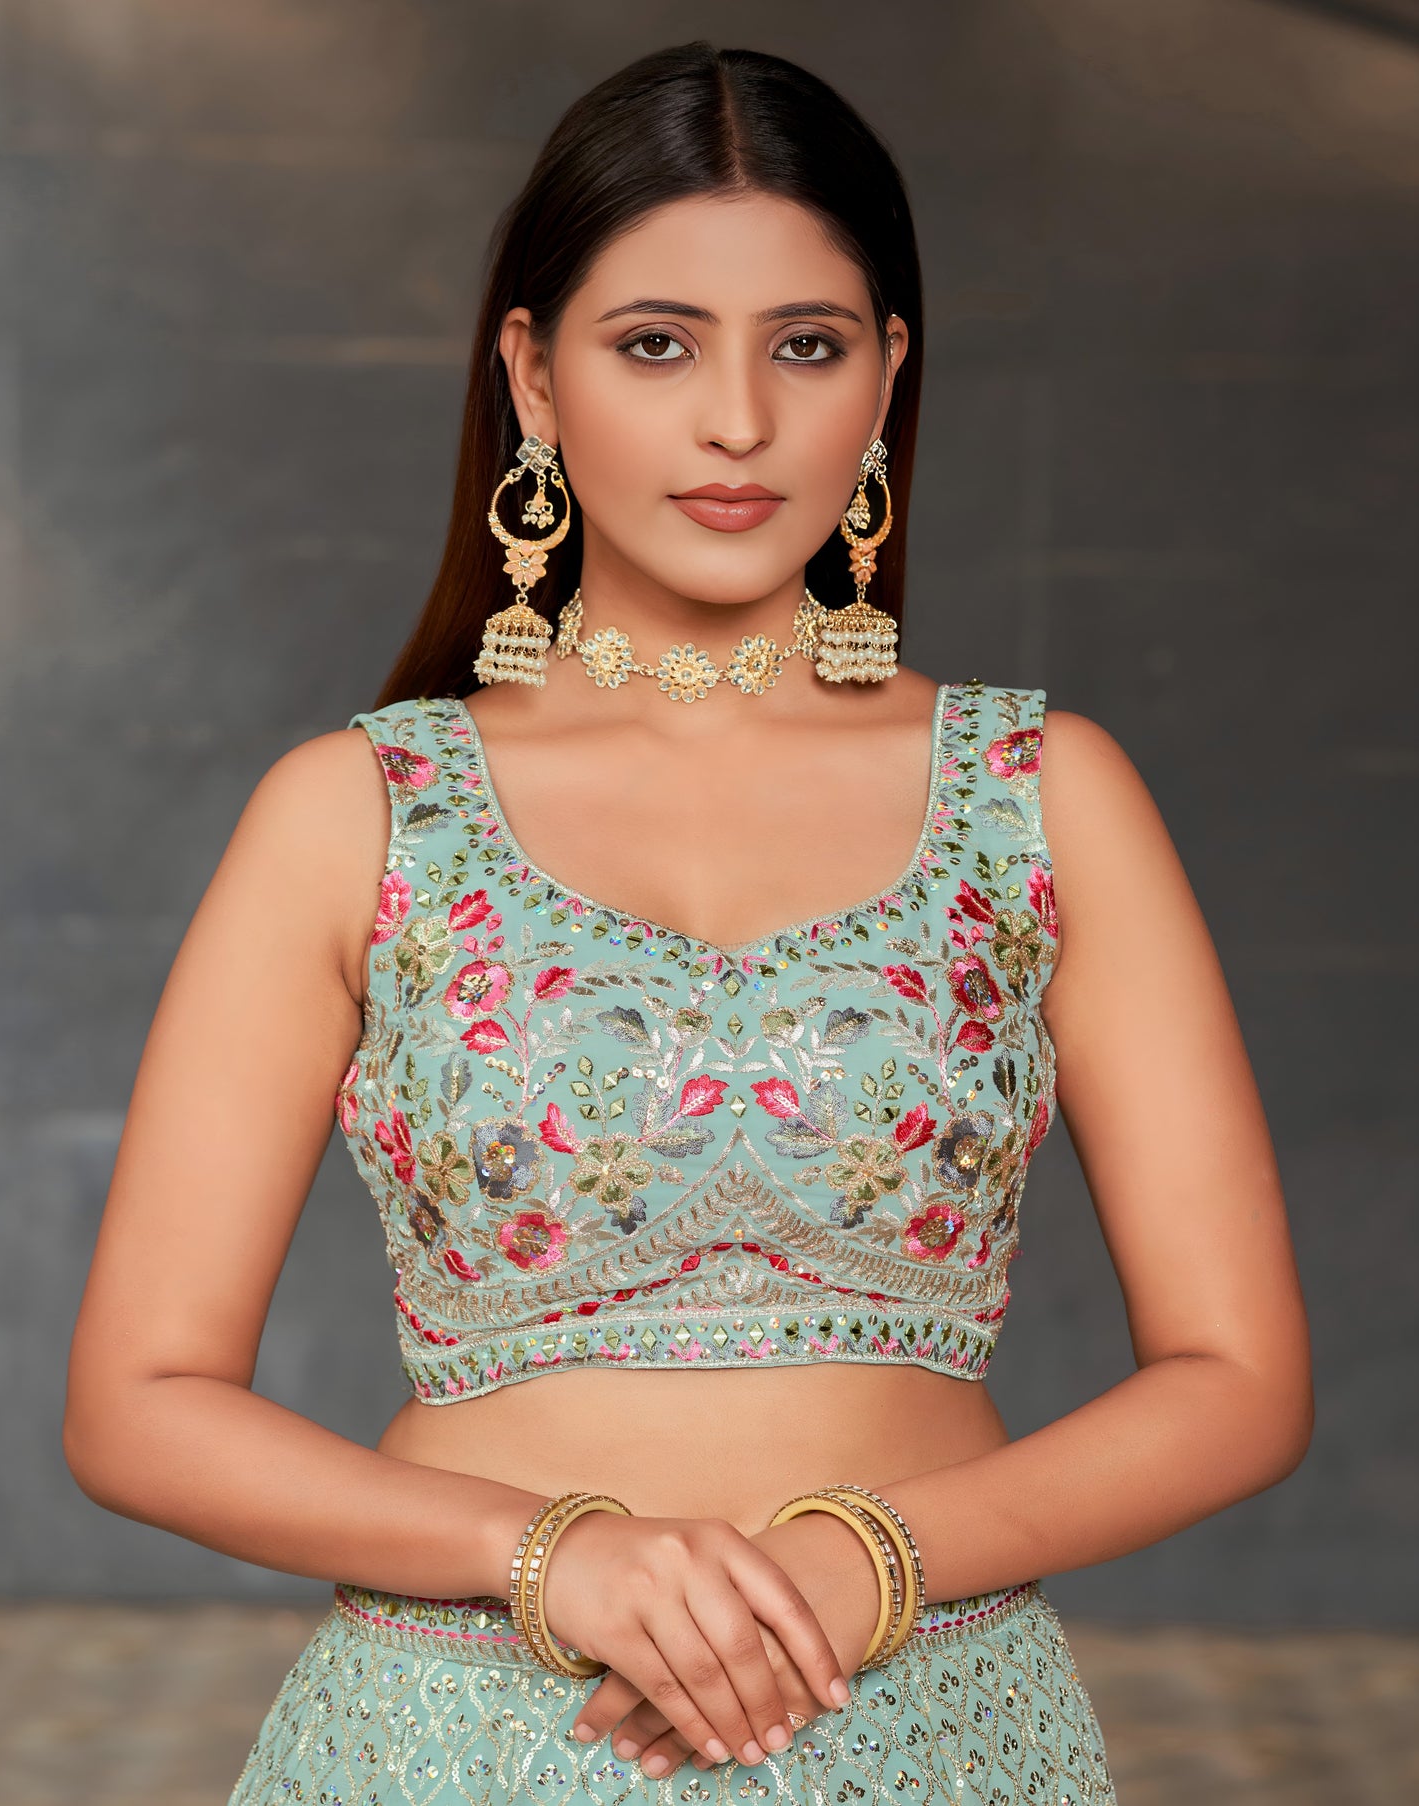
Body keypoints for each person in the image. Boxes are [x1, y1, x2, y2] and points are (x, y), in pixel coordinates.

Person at [63, 40, 1313, 1806]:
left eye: (805, 346)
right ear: (534, 376)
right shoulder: (358, 811)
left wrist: (862, 1559)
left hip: (930, 1721)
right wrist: (551, 1551)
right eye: (656, 343)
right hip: (463, 1730)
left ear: (887, 377)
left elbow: (1236, 1375)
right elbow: (138, 1397)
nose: (738, 421)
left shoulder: (1044, 793)